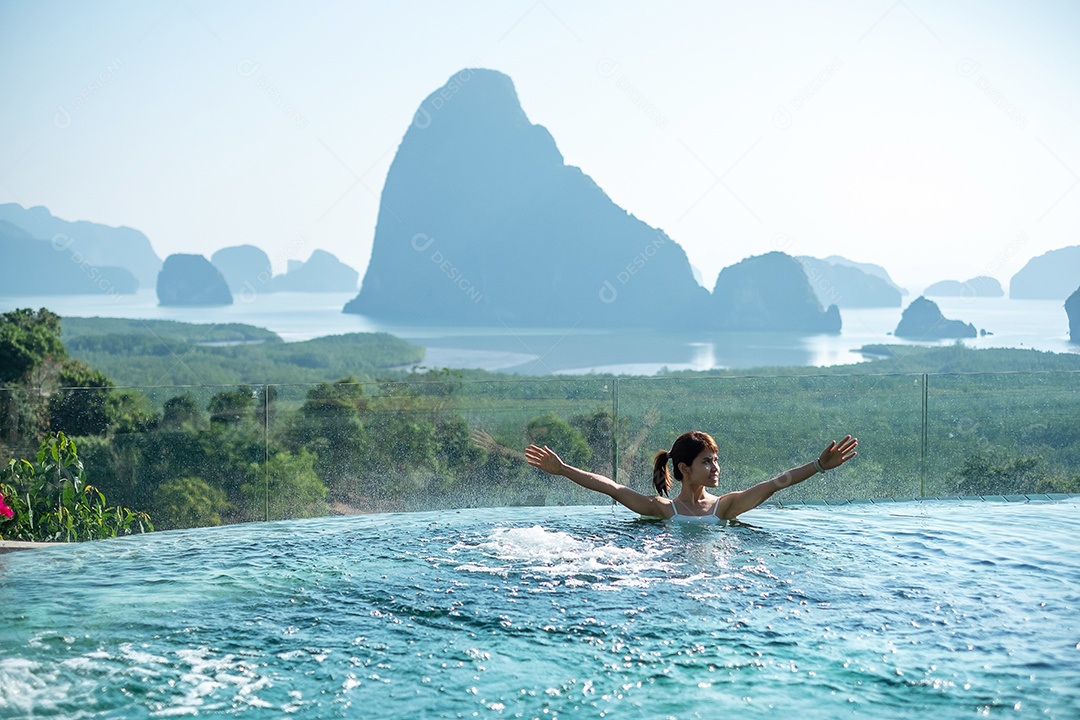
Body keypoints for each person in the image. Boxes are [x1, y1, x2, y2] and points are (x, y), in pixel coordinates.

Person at [525, 430, 858, 523]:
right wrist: (563, 469)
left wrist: (817, 466)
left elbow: (774, 483)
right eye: (706, 462)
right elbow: (613, 488)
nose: (715, 468)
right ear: (684, 469)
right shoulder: (662, 509)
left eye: (716, 460)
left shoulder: (725, 507)